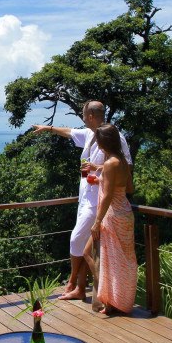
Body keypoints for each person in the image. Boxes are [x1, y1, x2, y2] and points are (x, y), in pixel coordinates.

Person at [31, 100, 131, 301]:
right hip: (85, 198)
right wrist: (49, 128)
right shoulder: (89, 135)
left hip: (100, 201)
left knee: (77, 240)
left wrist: (102, 175)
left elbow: (125, 166)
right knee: (85, 246)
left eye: (84, 115)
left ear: (91, 116)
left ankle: (74, 281)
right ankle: (80, 288)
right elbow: (69, 132)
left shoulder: (115, 138)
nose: (82, 119)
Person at [90, 123, 136, 315]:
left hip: (113, 214)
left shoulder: (110, 164)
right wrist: (102, 179)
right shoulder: (123, 161)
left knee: (110, 260)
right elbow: (129, 189)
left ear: (102, 144)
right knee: (125, 259)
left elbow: (108, 196)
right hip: (126, 212)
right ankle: (121, 300)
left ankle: (112, 303)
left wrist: (97, 221)